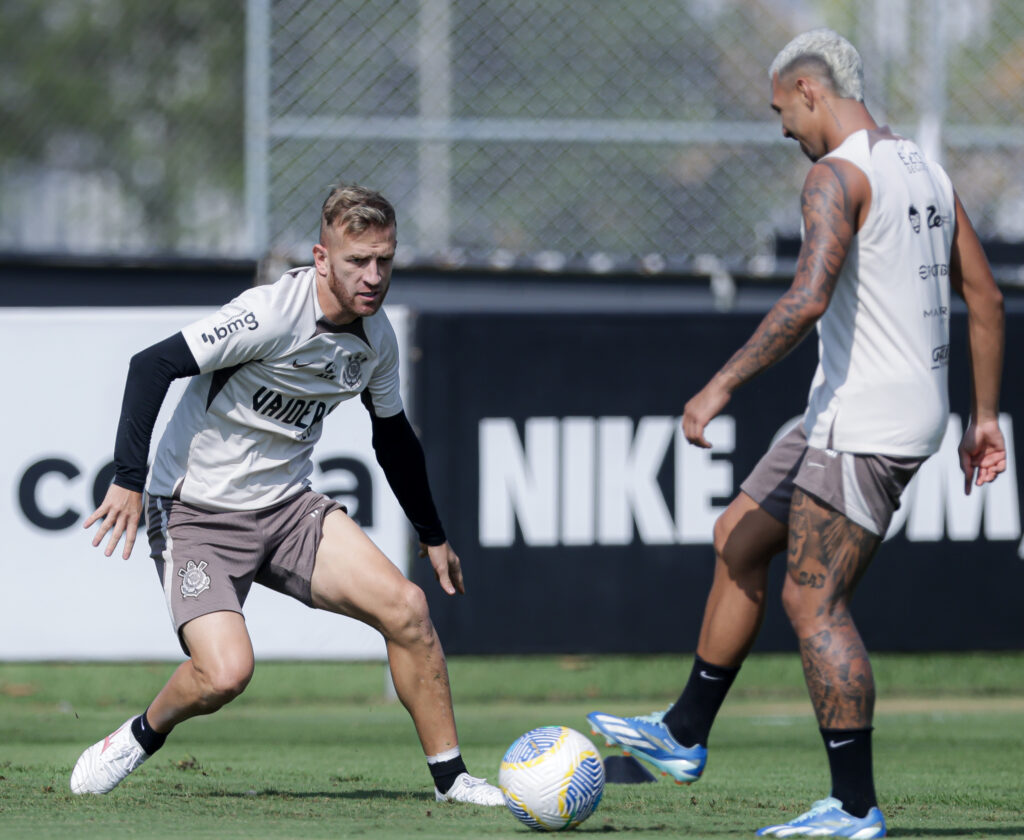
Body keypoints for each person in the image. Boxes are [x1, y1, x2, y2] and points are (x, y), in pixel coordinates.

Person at [588, 28, 1005, 838]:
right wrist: (983, 416)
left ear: (812, 91)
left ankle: (854, 808)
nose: (782, 128)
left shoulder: (833, 176)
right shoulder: (922, 166)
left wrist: (719, 384)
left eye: (784, 111)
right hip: (853, 409)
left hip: (866, 423)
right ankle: (682, 734)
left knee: (814, 604)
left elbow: (806, 298)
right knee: (738, 536)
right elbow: (985, 298)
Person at [70, 184, 504, 806]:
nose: (374, 275)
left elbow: (394, 438)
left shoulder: (375, 339)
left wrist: (432, 535)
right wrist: (129, 479)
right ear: (321, 258)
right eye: (358, 260)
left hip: (288, 510)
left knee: (408, 610)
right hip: (196, 515)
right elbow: (150, 365)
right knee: (225, 675)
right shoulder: (270, 313)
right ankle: (140, 735)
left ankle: (453, 780)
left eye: (385, 259)